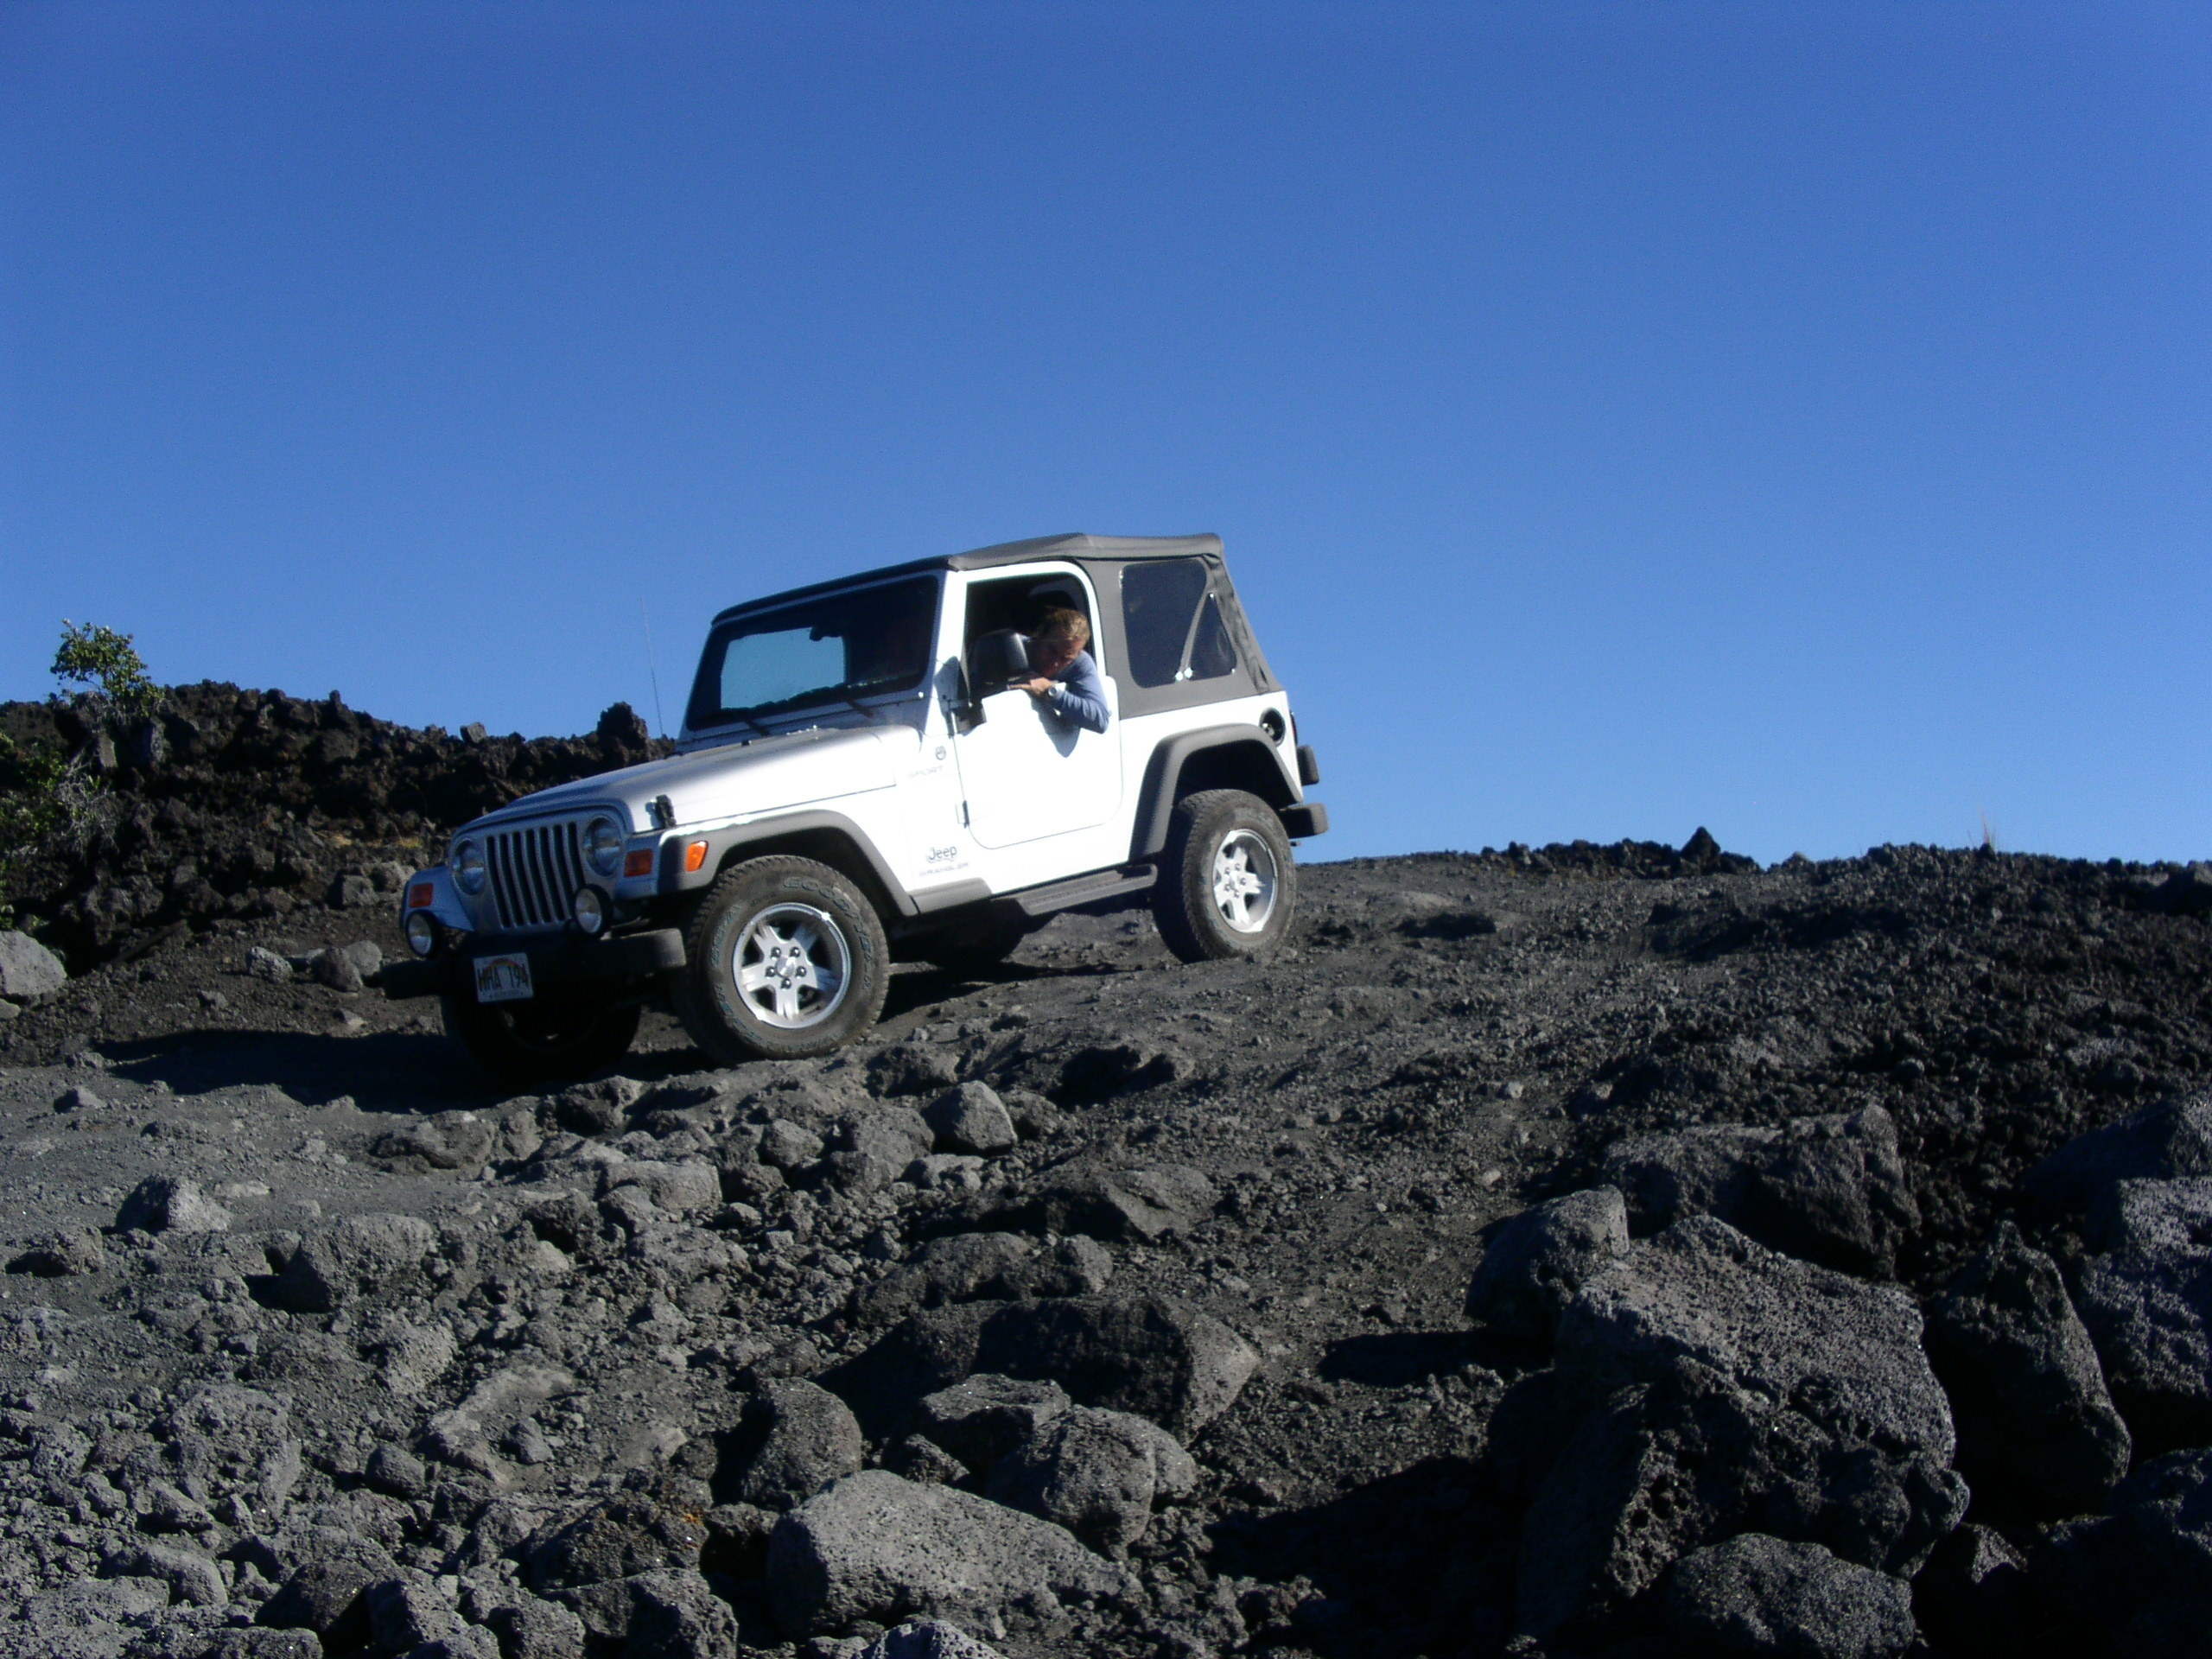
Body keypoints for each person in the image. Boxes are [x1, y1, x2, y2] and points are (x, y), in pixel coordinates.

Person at [1018, 607, 1109, 734]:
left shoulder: (1080, 663)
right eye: (1052, 651)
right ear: (1040, 634)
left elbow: (1101, 720)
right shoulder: (1011, 649)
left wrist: (1049, 692)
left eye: (1065, 659)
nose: (1055, 662)